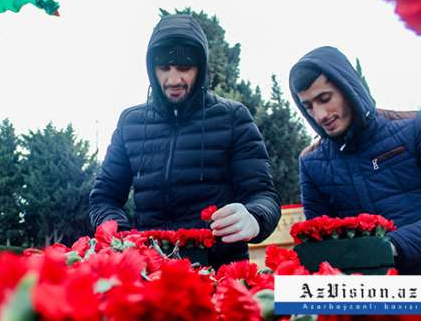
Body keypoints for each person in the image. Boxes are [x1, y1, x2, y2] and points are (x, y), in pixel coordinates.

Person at [89, 14, 280, 267]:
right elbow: (104, 197)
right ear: (151, 68)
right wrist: (120, 236)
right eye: (164, 68)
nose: (173, 80)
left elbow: (263, 195)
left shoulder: (233, 117)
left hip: (221, 270)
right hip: (151, 268)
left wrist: (255, 216)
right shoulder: (130, 122)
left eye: (184, 67)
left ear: (201, 68)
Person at [289, 46, 421, 274]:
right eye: (309, 107)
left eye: (325, 98)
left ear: (348, 88)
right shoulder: (311, 162)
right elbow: (320, 240)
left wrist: (389, 247)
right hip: (371, 296)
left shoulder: (416, 128)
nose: (320, 114)